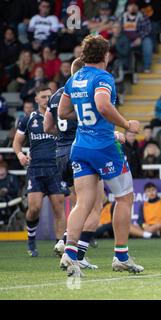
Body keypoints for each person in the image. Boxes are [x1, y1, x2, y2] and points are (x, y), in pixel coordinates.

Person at [57, 35, 143, 277]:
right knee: (124, 198)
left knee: (83, 202)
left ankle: (70, 253)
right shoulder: (103, 77)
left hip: (80, 146)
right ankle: (121, 256)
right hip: (104, 147)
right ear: (106, 55)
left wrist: (85, 118)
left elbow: (63, 112)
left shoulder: (74, 79)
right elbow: (103, 105)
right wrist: (127, 124)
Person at [43, 58, 104, 269]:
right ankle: (76, 252)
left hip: (60, 153)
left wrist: (62, 137)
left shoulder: (57, 94)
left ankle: (67, 241)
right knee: (95, 205)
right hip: (81, 149)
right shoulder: (87, 91)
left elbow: (47, 126)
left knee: (80, 203)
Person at [12, 85, 66, 257]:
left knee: (59, 207)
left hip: (55, 168)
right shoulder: (28, 119)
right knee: (34, 208)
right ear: (36, 99)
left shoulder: (60, 117)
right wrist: (20, 154)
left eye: (49, 96)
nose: (47, 99)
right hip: (35, 169)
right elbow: (16, 142)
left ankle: (60, 245)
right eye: (43, 97)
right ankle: (31, 239)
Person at [0, 161, 21, 225]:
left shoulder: (12, 177)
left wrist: (7, 190)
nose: (0, 171)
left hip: (11, 201)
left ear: (6, 169)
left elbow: (17, 190)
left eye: (2, 169)